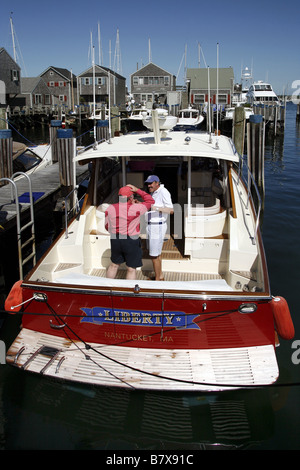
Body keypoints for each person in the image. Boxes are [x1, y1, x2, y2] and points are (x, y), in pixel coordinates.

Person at [105, 184, 154, 280]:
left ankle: (107, 287)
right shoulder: (137, 208)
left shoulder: (110, 208)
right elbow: (150, 201)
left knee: (114, 265)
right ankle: (128, 290)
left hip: (115, 239)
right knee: (131, 268)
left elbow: (107, 226)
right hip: (131, 240)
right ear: (131, 197)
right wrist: (138, 190)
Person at [145, 175, 174, 281]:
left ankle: (157, 281)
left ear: (157, 183)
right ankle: (159, 276)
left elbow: (171, 210)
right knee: (156, 253)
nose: (149, 185)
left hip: (157, 227)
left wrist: (154, 208)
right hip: (153, 226)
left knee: (154, 255)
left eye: (151, 183)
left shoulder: (163, 192)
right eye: (148, 183)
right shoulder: (154, 192)